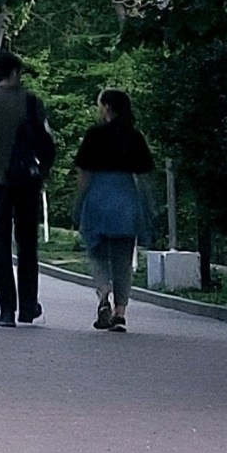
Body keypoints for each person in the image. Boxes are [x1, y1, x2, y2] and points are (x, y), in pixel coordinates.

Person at [0, 51, 55, 328]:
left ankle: (6, 310)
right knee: (28, 244)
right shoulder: (32, 101)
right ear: (16, 71)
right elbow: (45, 139)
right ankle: (28, 306)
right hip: (26, 181)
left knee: (1, 246)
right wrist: (43, 170)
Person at [74, 89, 155, 333]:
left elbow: (84, 173)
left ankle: (104, 294)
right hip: (126, 198)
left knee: (97, 251)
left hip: (99, 196)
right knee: (123, 257)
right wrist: (147, 207)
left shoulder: (94, 135)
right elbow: (145, 176)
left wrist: (79, 202)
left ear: (107, 107)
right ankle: (120, 312)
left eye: (100, 105)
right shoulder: (135, 137)